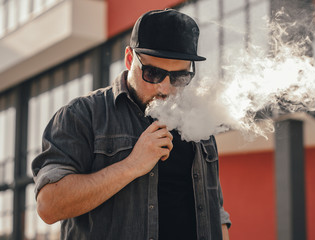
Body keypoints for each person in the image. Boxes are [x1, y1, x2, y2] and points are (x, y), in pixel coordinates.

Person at [32, 9, 231, 240]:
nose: (165, 89)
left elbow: (215, 211)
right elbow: (49, 206)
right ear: (129, 59)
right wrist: (132, 166)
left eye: (179, 77)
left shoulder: (197, 122)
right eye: (153, 73)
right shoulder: (82, 115)